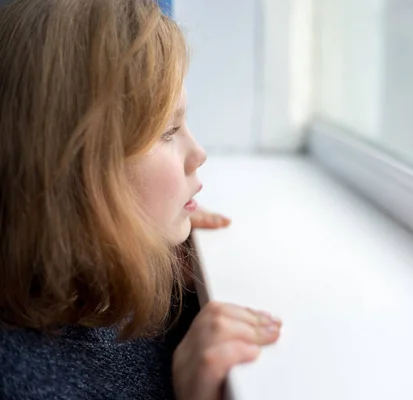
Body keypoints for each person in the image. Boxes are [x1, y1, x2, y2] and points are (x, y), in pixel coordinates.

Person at [0, 1, 281, 399]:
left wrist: (151, 256)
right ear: (77, 174)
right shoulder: (24, 382)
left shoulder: (99, 287)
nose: (198, 153)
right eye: (169, 132)